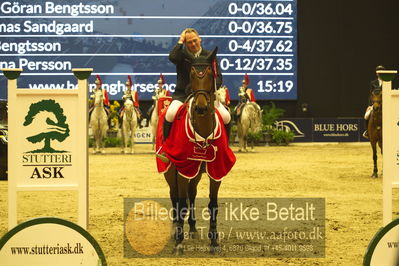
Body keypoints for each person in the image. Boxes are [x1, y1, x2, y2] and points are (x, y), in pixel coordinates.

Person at [157, 28, 230, 161]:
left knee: (226, 116)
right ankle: (165, 150)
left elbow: (218, 78)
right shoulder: (182, 55)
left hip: (206, 95)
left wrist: (207, 91)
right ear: (185, 44)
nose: (193, 44)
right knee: (170, 113)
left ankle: (226, 149)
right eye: (189, 42)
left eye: (195, 40)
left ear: (200, 39)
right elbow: (172, 57)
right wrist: (180, 41)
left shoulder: (210, 56)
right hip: (182, 94)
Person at [363, 65, 385, 139]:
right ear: (376, 73)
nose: (380, 73)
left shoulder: (387, 82)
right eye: (378, 72)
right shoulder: (373, 83)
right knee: (366, 115)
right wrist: (369, 106)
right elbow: (370, 95)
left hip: (386, 104)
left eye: (381, 71)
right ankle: (367, 131)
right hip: (375, 104)